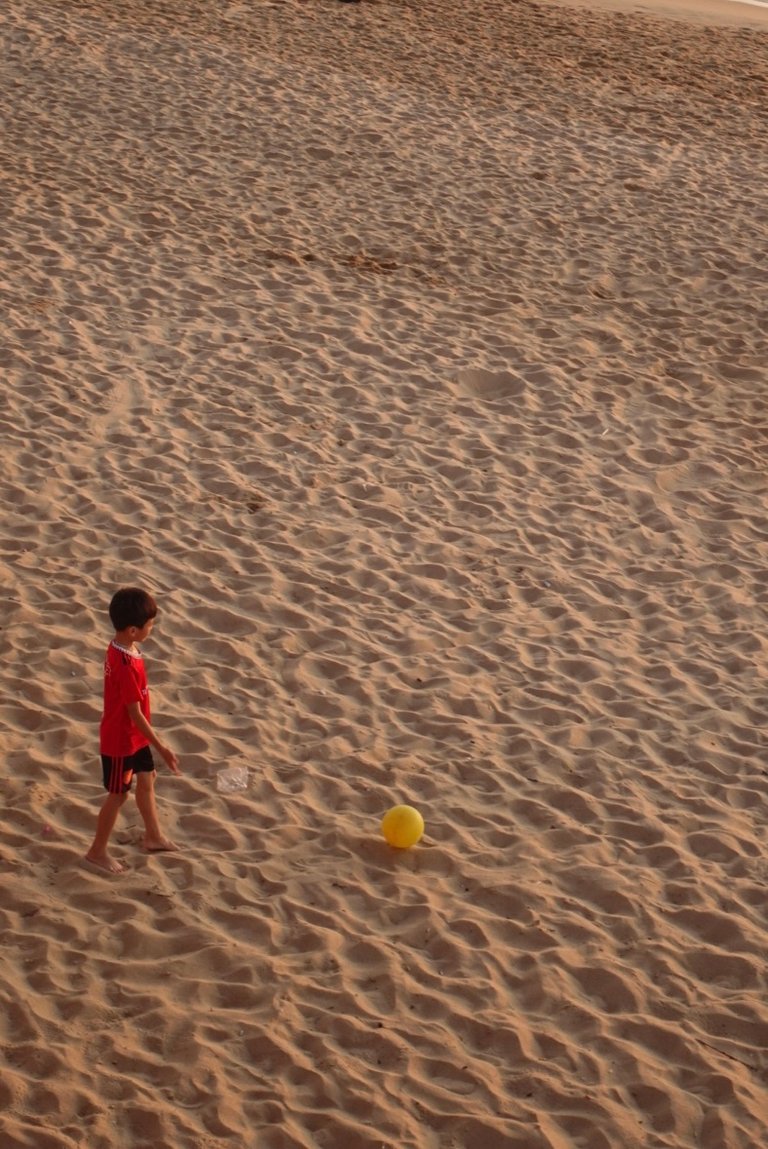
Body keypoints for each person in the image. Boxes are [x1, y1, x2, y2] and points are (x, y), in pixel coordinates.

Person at [85, 587, 181, 873]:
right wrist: (161, 747)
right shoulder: (125, 664)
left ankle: (153, 836)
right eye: (149, 625)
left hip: (135, 737)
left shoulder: (123, 646)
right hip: (121, 740)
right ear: (132, 630)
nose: (152, 628)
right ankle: (96, 851)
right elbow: (134, 713)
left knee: (147, 778)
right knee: (118, 794)